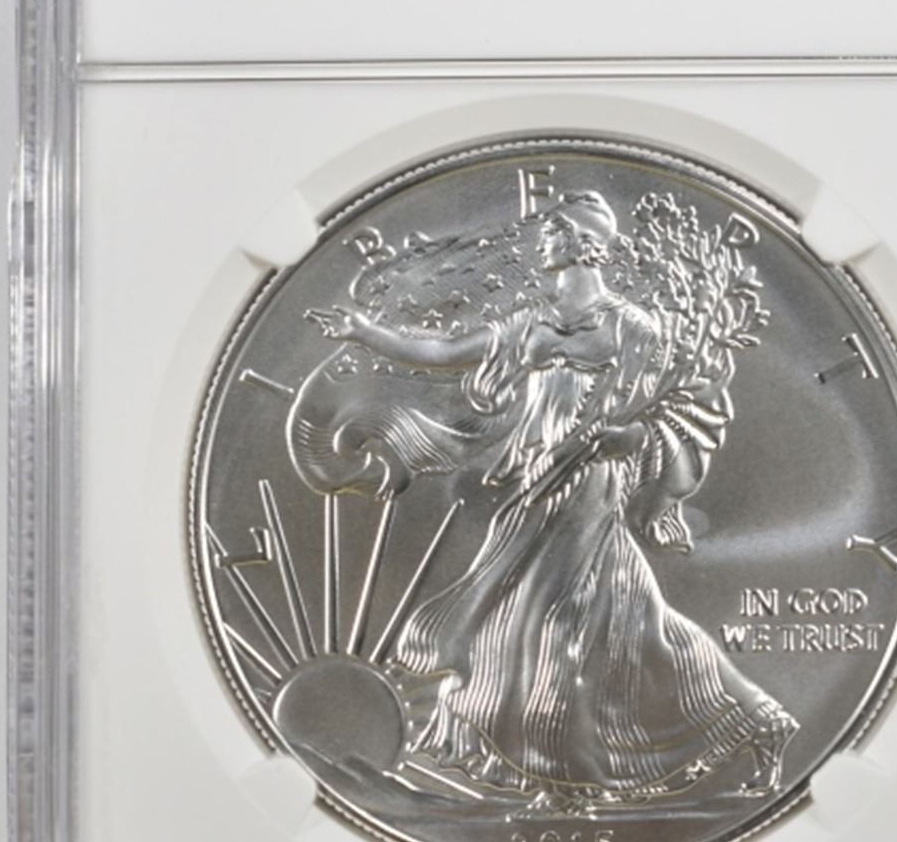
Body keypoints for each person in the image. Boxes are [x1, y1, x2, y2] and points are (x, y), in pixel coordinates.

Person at [310, 190, 797, 807]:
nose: (540, 241)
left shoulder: (633, 327)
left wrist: (624, 438)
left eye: (552, 231)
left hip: (589, 483)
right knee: (629, 624)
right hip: (535, 480)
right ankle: (755, 722)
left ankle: (567, 774)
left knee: (548, 619)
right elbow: (446, 354)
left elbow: (666, 413)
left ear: (582, 243)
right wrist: (366, 333)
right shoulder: (530, 321)